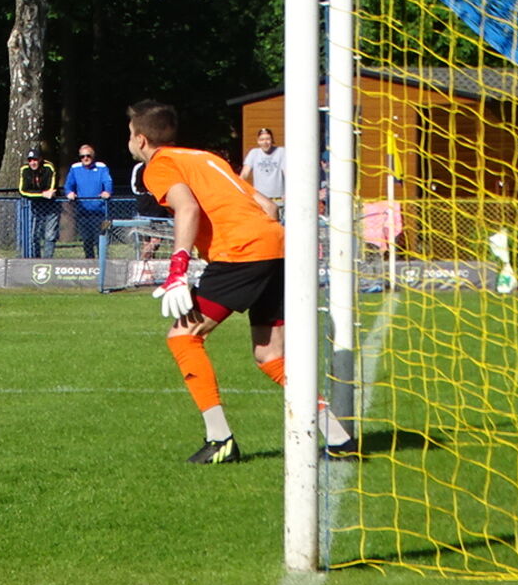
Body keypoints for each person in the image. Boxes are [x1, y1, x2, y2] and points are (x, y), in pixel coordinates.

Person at [130, 100, 352, 464]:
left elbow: (187, 208)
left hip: (243, 252)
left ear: (141, 139)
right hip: (277, 246)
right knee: (271, 355)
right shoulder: (206, 158)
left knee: (184, 337)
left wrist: (177, 271)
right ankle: (339, 439)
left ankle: (221, 440)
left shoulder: (159, 165)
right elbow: (269, 207)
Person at [62, 144, 115, 258]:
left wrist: (107, 192)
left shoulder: (101, 167)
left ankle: (103, 263)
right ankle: (90, 263)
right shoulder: (75, 168)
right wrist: (69, 192)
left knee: (101, 239)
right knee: (87, 240)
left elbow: (107, 182)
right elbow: (68, 185)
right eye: (82, 156)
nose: (85, 158)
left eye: (88, 156)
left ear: (93, 156)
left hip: (100, 212)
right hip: (83, 212)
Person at [18, 149, 60, 258]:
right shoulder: (24, 169)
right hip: (34, 206)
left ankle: (47, 260)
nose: (33, 162)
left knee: (50, 235)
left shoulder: (49, 167)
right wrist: (41, 194)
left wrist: (41, 193)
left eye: (35, 159)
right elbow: (23, 191)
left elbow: (51, 190)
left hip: (52, 206)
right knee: (33, 236)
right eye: (30, 160)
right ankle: (34, 260)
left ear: (40, 159)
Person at [240, 128, 287, 223]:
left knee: (277, 226)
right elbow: (245, 173)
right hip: (261, 199)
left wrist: (288, 192)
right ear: (258, 141)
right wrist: (240, 186)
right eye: (262, 139)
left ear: (272, 140)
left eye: (267, 139)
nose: (265, 142)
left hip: (278, 198)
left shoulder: (281, 152)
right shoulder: (254, 153)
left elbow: (287, 172)